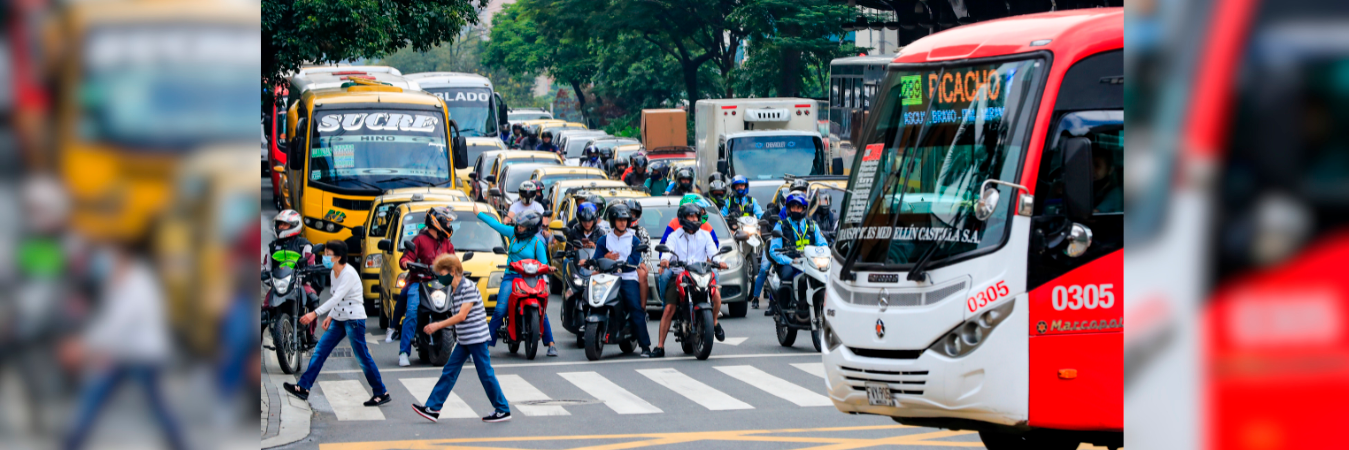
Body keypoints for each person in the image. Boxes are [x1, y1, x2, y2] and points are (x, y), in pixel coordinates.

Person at [63, 243, 187, 450]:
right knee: (96, 396)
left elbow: (119, 323)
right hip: (125, 355)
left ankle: (181, 444)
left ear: (124, 259)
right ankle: (71, 443)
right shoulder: (122, 282)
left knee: (154, 405)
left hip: (142, 356)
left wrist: (85, 346)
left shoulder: (137, 284)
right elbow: (110, 321)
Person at [284, 240, 390, 406]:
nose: (325, 257)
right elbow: (336, 298)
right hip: (339, 319)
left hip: (354, 319)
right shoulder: (334, 272)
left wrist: (314, 314)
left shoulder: (348, 274)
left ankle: (381, 392)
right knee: (320, 351)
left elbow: (336, 298)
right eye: (324, 253)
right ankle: (303, 387)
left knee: (362, 357)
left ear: (339, 257)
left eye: (328, 254)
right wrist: (331, 316)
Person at [411, 254, 512, 423]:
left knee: (485, 374)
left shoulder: (468, 287)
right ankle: (433, 408)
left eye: (442, 274)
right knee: (449, 371)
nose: (440, 278)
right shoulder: (454, 290)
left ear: (453, 271)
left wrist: (437, 325)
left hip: (477, 338)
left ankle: (503, 409)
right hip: (465, 340)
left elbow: (461, 316)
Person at [475, 206, 560, 356]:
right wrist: (479, 214)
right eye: (518, 224)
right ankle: (484, 346)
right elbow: (495, 225)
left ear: (530, 228)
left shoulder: (537, 244)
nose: (517, 227)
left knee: (541, 309)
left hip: (531, 279)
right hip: (511, 277)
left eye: (521, 226)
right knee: (500, 310)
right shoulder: (512, 234)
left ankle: (551, 344)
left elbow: (544, 265)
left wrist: (549, 269)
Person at [651, 204, 727, 358]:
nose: (693, 219)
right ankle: (660, 346)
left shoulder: (705, 235)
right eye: (690, 216)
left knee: (717, 296)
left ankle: (713, 323)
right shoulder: (674, 236)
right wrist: (665, 260)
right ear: (683, 218)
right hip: (680, 275)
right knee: (668, 309)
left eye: (696, 216)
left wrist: (719, 261)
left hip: (700, 274)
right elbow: (667, 250)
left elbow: (713, 252)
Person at [395, 207, 457, 366]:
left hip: (442, 284)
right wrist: (406, 262)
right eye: (447, 222)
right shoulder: (419, 240)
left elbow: (454, 261)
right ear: (437, 223)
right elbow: (406, 258)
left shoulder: (446, 243)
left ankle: (466, 348)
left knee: (460, 308)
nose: (449, 226)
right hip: (420, 282)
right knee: (411, 311)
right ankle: (404, 352)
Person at [590, 204, 653, 357]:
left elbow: (634, 259)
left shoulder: (634, 240)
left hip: (627, 278)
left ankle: (645, 346)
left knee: (635, 308)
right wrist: (605, 258)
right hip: (607, 278)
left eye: (625, 220)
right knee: (592, 301)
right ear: (612, 221)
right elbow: (596, 259)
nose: (623, 223)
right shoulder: (604, 240)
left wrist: (622, 264)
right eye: (619, 220)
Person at [764, 193, 830, 316]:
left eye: (798, 207)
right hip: (790, 263)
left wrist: (825, 255)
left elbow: (823, 245)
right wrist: (789, 261)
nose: (796, 210)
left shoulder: (812, 226)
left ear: (804, 209)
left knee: (823, 279)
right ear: (789, 208)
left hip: (809, 262)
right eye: (793, 207)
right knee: (787, 277)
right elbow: (774, 251)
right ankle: (783, 312)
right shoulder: (781, 225)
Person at [624, 199, 652, 312]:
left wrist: (642, 263)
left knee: (642, 275)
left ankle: (642, 309)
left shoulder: (641, 232)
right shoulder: (612, 231)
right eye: (627, 212)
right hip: (617, 264)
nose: (630, 216)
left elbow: (647, 251)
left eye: (633, 213)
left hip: (636, 264)